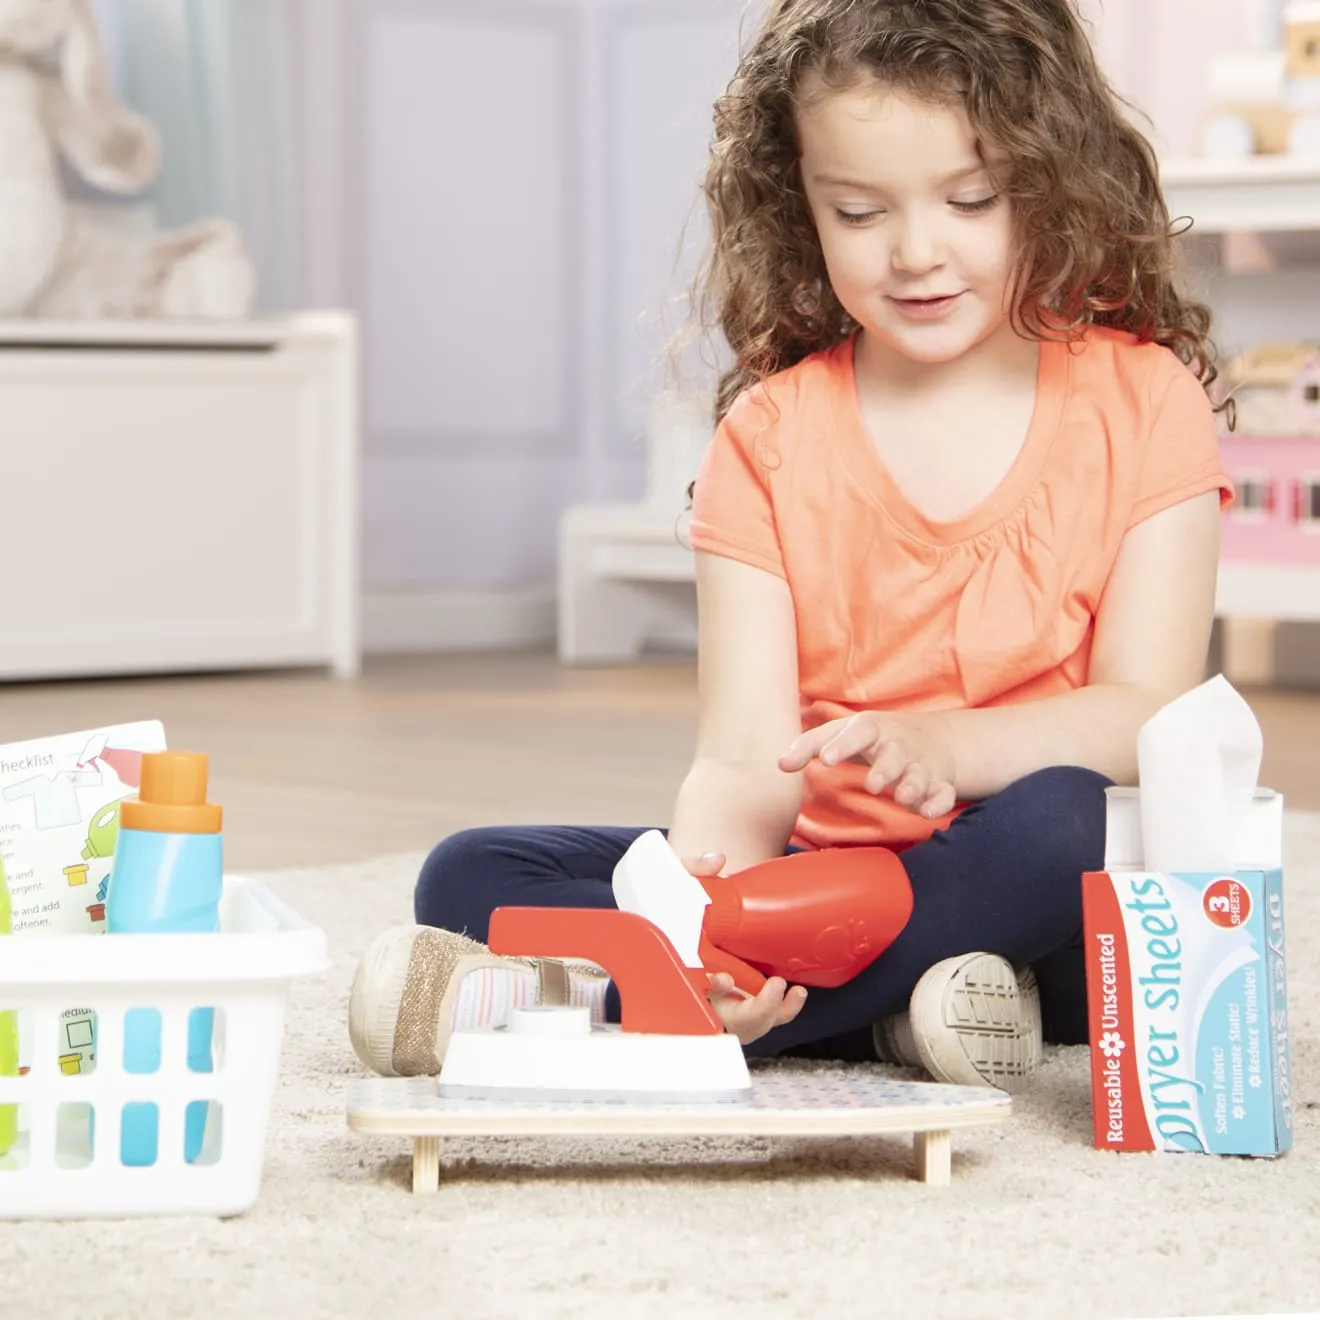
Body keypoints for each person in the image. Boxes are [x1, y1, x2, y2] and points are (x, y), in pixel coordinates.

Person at [348, 0, 1232, 1090]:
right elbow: (741, 758)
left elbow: (1148, 709)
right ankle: (872, 1015)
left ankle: (679, 1012)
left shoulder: (1145, 399)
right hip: (817, 882)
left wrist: (948, 750)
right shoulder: (766, 438)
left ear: (1052, 179)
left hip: (1019, 883)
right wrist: (709, 919)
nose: (916, 252)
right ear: (798, 205)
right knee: (472, 873)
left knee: (1068, 820)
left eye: (970, 199)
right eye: (859, 212)